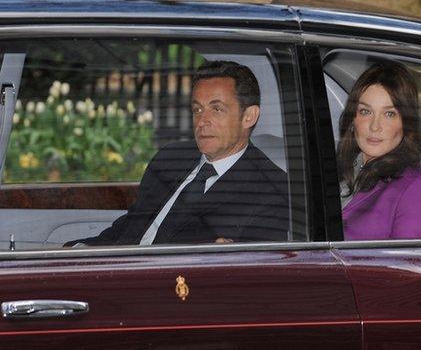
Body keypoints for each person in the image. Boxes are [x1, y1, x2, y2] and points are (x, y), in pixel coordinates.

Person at [66, 61, 289, 246]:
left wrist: (227, 259)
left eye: (217, 109)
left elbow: (253, 273)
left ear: (249, 116)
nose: (202, 121)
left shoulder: (272, 190)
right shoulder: (171, 158)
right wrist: (79, 251)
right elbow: (132, 226)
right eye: (197, 109)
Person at [337, 61, 421, 240]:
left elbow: (403, 265)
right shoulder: (332, 168)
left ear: (406, 124)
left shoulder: (417, 187)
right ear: (353, 119)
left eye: (389, 114)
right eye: (365, 112)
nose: (375, 126)